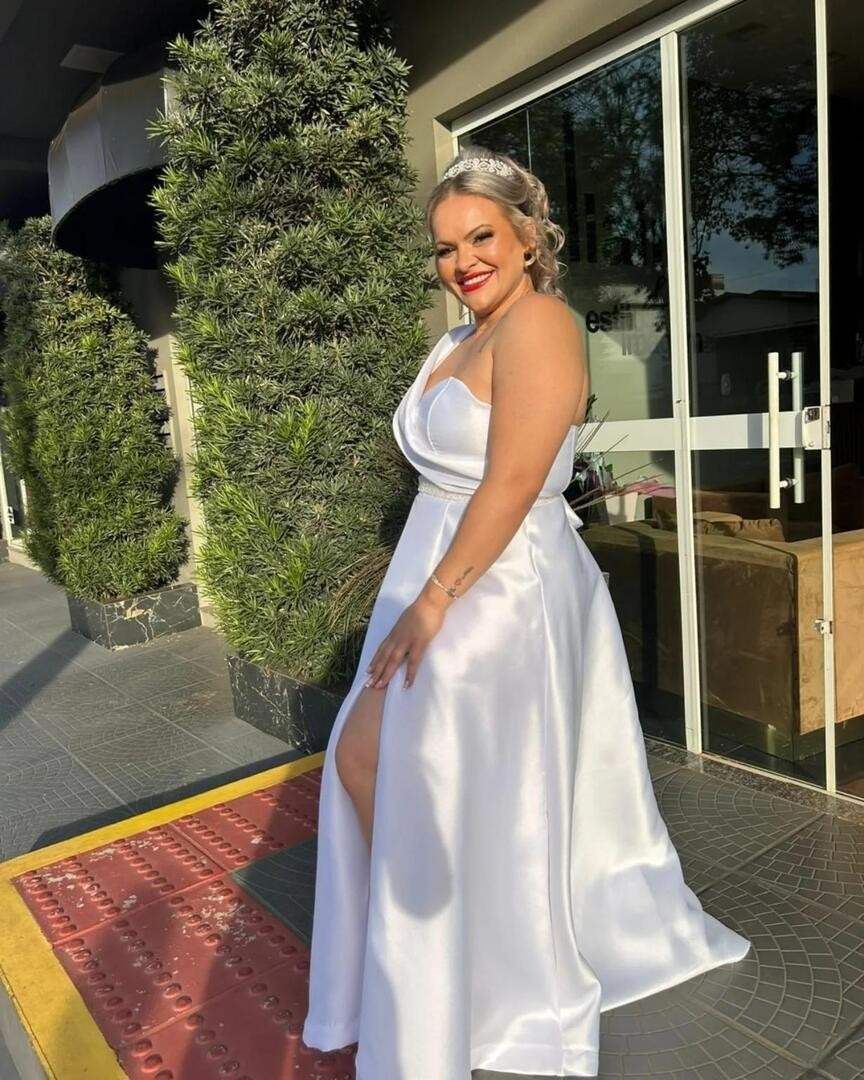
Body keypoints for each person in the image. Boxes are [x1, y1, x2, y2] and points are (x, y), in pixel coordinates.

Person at [302, 147, 750, 1078]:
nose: (463, 261)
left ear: (527, 238)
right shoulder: (455, 342)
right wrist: (420, 589)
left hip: (500, 588)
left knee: (426, 774)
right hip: (441, 573)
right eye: (445, 248)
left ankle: (478, 984)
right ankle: (449, 966)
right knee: (385, 765)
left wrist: (433, 601)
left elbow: (512, 481)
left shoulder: (541, 322)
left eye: (480, 238)